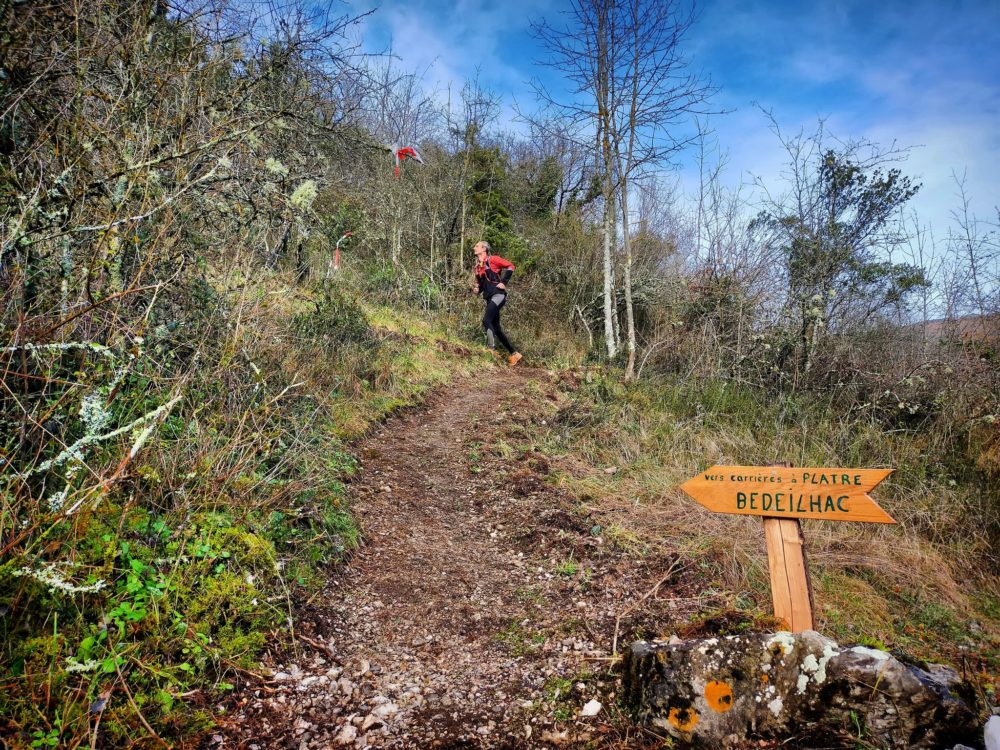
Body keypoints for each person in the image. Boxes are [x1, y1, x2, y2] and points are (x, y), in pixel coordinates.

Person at [470, 241, 522, 366]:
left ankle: (491, 349)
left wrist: (504, 282)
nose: (474, 248)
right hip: (489, 297)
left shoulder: (493, 259)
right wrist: (478, 290)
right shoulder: (477, 267)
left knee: (486, 320)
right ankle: (514, 354)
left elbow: (511, 266)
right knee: (497, 328)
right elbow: (482, 285)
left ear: (484, 249)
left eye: (477, 246)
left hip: (498, 295)